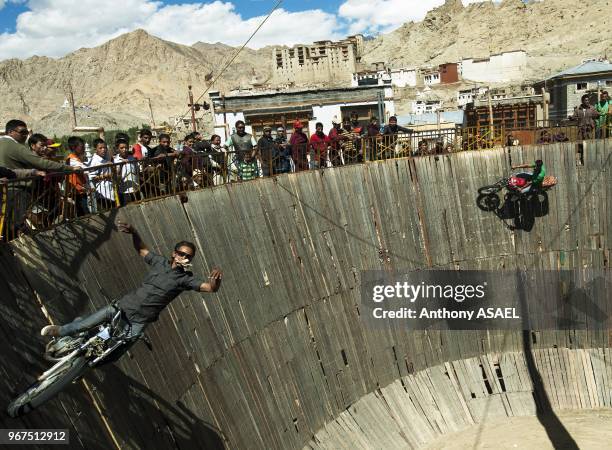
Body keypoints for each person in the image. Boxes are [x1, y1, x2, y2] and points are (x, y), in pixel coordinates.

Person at [41, 221, 222, 348]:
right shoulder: (159, 262)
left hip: (139, 321)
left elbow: (209, 288)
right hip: (123, 307)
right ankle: (60, 331)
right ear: (174, 253)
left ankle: (78, 368)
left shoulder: (185, 279)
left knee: (115, 352)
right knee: (84, 325)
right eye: (182, 253)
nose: (185, 257)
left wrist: (215, 281)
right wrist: (134, 232)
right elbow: (142, 250)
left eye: (189, 256)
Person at [66, 136, 91, 216]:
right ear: (74, 147)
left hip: (81, 190)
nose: (83, 148)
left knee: (83, 212)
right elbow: (86, 170)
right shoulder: (71, 160)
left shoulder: (77, 159)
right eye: (81, 146)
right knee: (84, 213)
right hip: (76, 191)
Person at [87, 138, 115, 211]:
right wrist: (105, 176)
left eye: (105, 148)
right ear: (95, 149)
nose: (103, 150)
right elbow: (91, 177)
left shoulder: (105, 158)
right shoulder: (94, 161)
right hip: (102, 194)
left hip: (110, 191)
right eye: (100, 148)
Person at [114, 138, 140, 206]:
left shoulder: (132, 158)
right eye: (121, 148)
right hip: (124, 191)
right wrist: (121, 165)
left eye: (126, 147)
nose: (124, 150)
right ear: (117, 149)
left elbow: (137, 171)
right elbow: (117, 176)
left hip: (135, 189)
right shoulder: (115, 160)